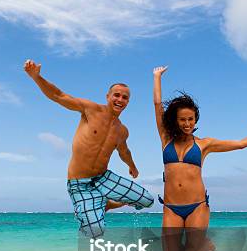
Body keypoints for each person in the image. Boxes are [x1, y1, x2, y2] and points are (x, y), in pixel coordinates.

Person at [153, 65, 247, 251]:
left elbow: (239, 144)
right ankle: (196, 242)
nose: (187, 123)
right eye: (182, 120)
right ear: (175, 121)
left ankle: (202, 243)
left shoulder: (205, 144)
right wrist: (157, 77)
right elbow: (157, 104)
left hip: (197, 206)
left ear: (195, 120)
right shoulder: (165, 139)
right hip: (171, 207)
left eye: (190, 119)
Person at [24, 60, 154, 237]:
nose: (120, 100)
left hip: (103, 178)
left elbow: (124, 151)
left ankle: (104, 203)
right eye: (116, 95)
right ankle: (91, 208)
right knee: (95, 231)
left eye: (125, 97)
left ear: (128, 102)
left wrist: (132, 166)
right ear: (107, 96)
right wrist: (37, 77)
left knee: (147, 200)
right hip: (79, 183)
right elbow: (59, 96)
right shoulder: (90, 110)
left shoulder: (122, 130)